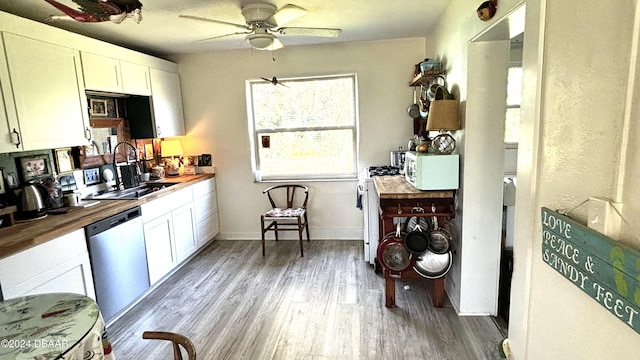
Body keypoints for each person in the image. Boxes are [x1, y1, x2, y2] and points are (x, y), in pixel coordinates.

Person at [45, 0, 143, 24]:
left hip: (100, 14)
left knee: (80, 18)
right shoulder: (119, 13)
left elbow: (76, 17)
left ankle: (55, 17)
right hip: (103, 13)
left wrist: (57, 17)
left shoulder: (119, 14)